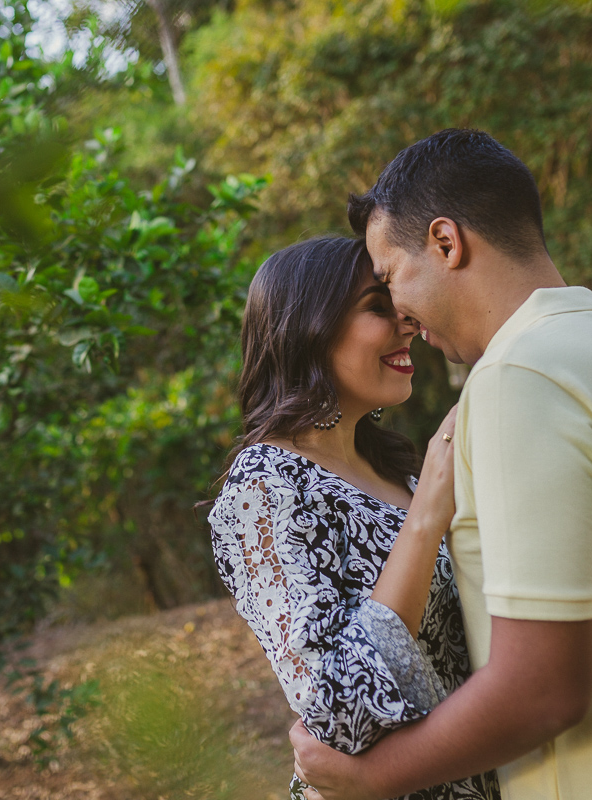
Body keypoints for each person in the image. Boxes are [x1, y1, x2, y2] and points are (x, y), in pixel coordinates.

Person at [290, 129, 592, 800]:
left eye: (391, 280)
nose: (401, 317)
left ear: (447, 243)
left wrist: (369, 777)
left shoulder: (520, 381)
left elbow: (541, 690)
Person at [208, 236, 500, 800]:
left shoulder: (396, 470)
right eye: (376, 306)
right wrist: (426, 517)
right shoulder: (263, 489)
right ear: (308, 330)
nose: (407, 321)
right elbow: (337, 706)